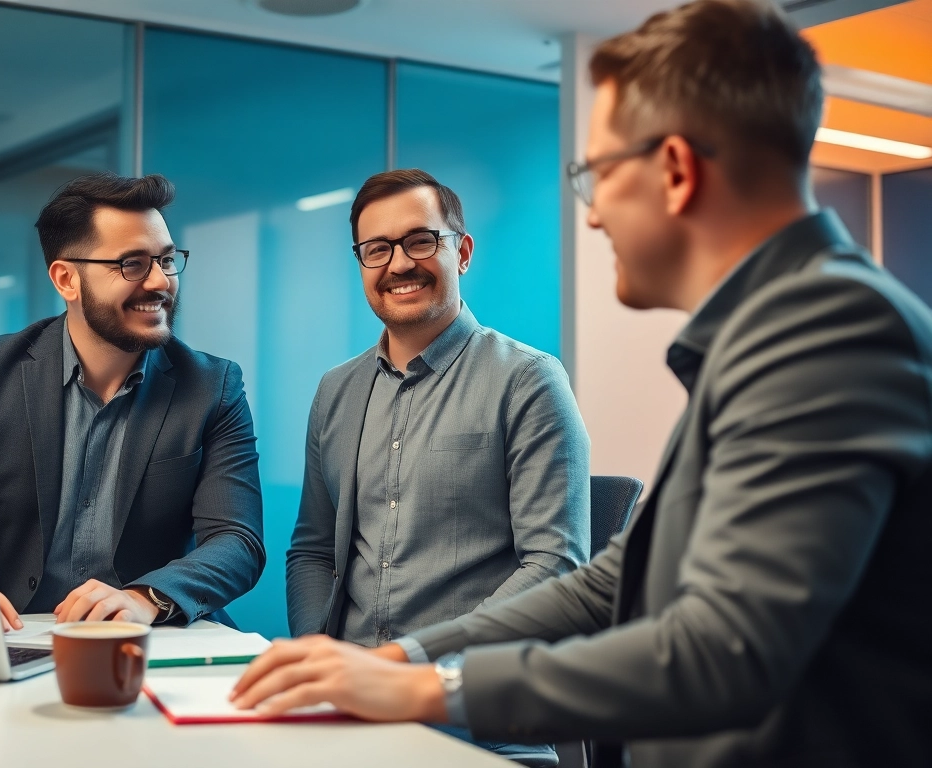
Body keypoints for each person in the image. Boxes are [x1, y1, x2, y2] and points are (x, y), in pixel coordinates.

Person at [232, 3, 932, 766]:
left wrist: (430, 691)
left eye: (595, 174)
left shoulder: (824, 332)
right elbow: (613, 582)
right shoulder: (771, 328)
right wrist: (399, 660)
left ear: (674, 169)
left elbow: (722, 649)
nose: (592, 215)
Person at [287, 168, 590, 766]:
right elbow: (314, 550)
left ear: (463, 251)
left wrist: (410, 667)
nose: (399, 264)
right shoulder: (335, 392)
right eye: (377, 249)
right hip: (348, 717)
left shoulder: (528, 381)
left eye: (421, 240)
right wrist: (320, 659)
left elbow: (554, 565)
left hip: (479, 717)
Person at [0, 173, 264, 630]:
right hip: (11, 632)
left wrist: (147, 597)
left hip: (146, 637)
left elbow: (237, 540)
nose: (160, 281)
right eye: (133, 264)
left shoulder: (212, 386)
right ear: (66, 279)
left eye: (165, 259)